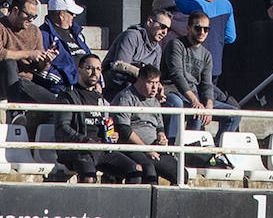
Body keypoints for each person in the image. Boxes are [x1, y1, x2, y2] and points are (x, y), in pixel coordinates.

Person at [53, 54, 143, 184]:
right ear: (79, 70)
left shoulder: (100, 98)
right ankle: (84, 205)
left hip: (102, 149)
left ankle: (124, 205)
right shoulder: (68, 96)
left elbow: (108, 124)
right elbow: (63, 128)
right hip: (79, 150)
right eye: (90, 68)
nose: (94, 72)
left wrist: (113, 135)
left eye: (98, 69)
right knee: (89, 178)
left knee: (135, 170)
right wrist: (85, 141)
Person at [161, 9, 241, 139]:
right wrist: (195, 101)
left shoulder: (206, 55)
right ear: (188, 28)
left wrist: (208, 105)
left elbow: (207, 84)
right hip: (173, 92)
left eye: (206, 29)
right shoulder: (176, 45)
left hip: (196, 96)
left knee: (233, 114)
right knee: (186, 106)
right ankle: (172, 148)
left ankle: (216, 152)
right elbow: (177, 75)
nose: (202, 32)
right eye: (198, 28)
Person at [110, 64, 184, 186]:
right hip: (133, 148)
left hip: (155, 148)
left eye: (157, 83)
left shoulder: (155, 101)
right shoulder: (126, 98)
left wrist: (161, 136)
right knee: (149, 171)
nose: (155, 88)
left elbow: (159, 126)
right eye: (150, 83)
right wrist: (146, 149)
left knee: (181, 173)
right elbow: (124, 130)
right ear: (140, 80)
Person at [103, 11, 172, 96]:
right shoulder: (131, 36)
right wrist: (146, 76)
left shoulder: (157, 49)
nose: (165, 32)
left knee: (173, 101)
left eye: (168, 29)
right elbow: (120, 67)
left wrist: (158, 86)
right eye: (162, 26)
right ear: (149, 22)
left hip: (142, 89)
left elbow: (154, 75)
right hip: (117, 88)